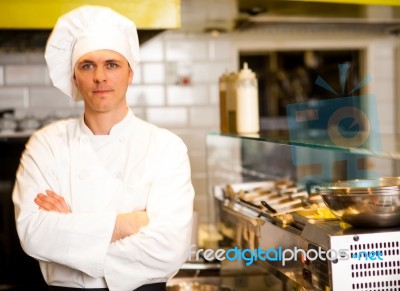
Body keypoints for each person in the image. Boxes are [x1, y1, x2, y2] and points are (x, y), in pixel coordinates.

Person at [12, 5, 194, 291]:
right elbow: (33, 234)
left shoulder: (166, 148)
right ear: (74, 77)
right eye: (87, 65)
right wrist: (129, 223)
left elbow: (170, 248)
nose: (100, 76)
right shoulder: (46, 144)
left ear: (130, 73)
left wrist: (70, 234)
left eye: (112, 64)